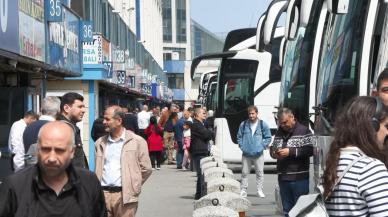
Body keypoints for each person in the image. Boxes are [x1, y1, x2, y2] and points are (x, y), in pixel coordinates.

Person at [0, 121, 107, 217]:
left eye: (59, 150)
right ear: (37, 149)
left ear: (72, 152)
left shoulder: (89, 182)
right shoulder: (16, 185)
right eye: (45, 149)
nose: (52, 158)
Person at [323, 96, 388, 216]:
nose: (387, 132)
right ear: (373, 127)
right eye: (387, 126)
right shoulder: (371, 168)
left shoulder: (334, 161)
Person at [95, 105, 152, 217]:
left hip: (125, 196)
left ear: (119, 121)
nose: (104, 122)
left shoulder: (137, 141)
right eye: (104, 119)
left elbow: (146, 168)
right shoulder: (100, 143)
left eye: (107, 119)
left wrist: (133, 185)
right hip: (103, 195)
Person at [270, 107, 313, 216]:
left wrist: (291, 152)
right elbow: (273, 150)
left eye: (285, 122)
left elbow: (310, 150)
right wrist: (273, 153)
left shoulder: (304, 131)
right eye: (281, 123)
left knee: (300, 211)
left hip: (299, 179)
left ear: (292, 117)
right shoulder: (279, 132)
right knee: (287, 211)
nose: (283, 125)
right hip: (283, 179)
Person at [237, 105, 272, 198]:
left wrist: (262, 146)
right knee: (244, 173)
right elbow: (239, 137)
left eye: (253, 113)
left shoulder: (262, 124)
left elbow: (268, 137)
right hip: (246, 153)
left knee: (260, 172)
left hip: (258, 154)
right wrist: (242, 146)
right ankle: (243, 190)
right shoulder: (243, 124)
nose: (251, 115)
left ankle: (259, 190)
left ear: (257, 113)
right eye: (249, 114)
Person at [23, 96, 61, 166]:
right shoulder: (58, 129)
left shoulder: (28, 127)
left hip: (30, 171)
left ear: (41, 109)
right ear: (58, 111)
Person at [57, 92, 88, 169]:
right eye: (80, 107)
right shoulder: (63, 128)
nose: (83, 110)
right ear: (66, 108)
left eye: (83, 107)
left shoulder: (71, 127)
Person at [190, 108, 213, 200]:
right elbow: (206, 135)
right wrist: (210, 132)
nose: (205, 114)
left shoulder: (200, 124)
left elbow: (207, 134)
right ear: (197, 114)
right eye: (203, 113)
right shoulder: (196, 124)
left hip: (201, 151)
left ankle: (199, 194)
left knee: (202, 174)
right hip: (198, 151)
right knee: (200, 174)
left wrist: (209, 133)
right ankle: (199, 195)